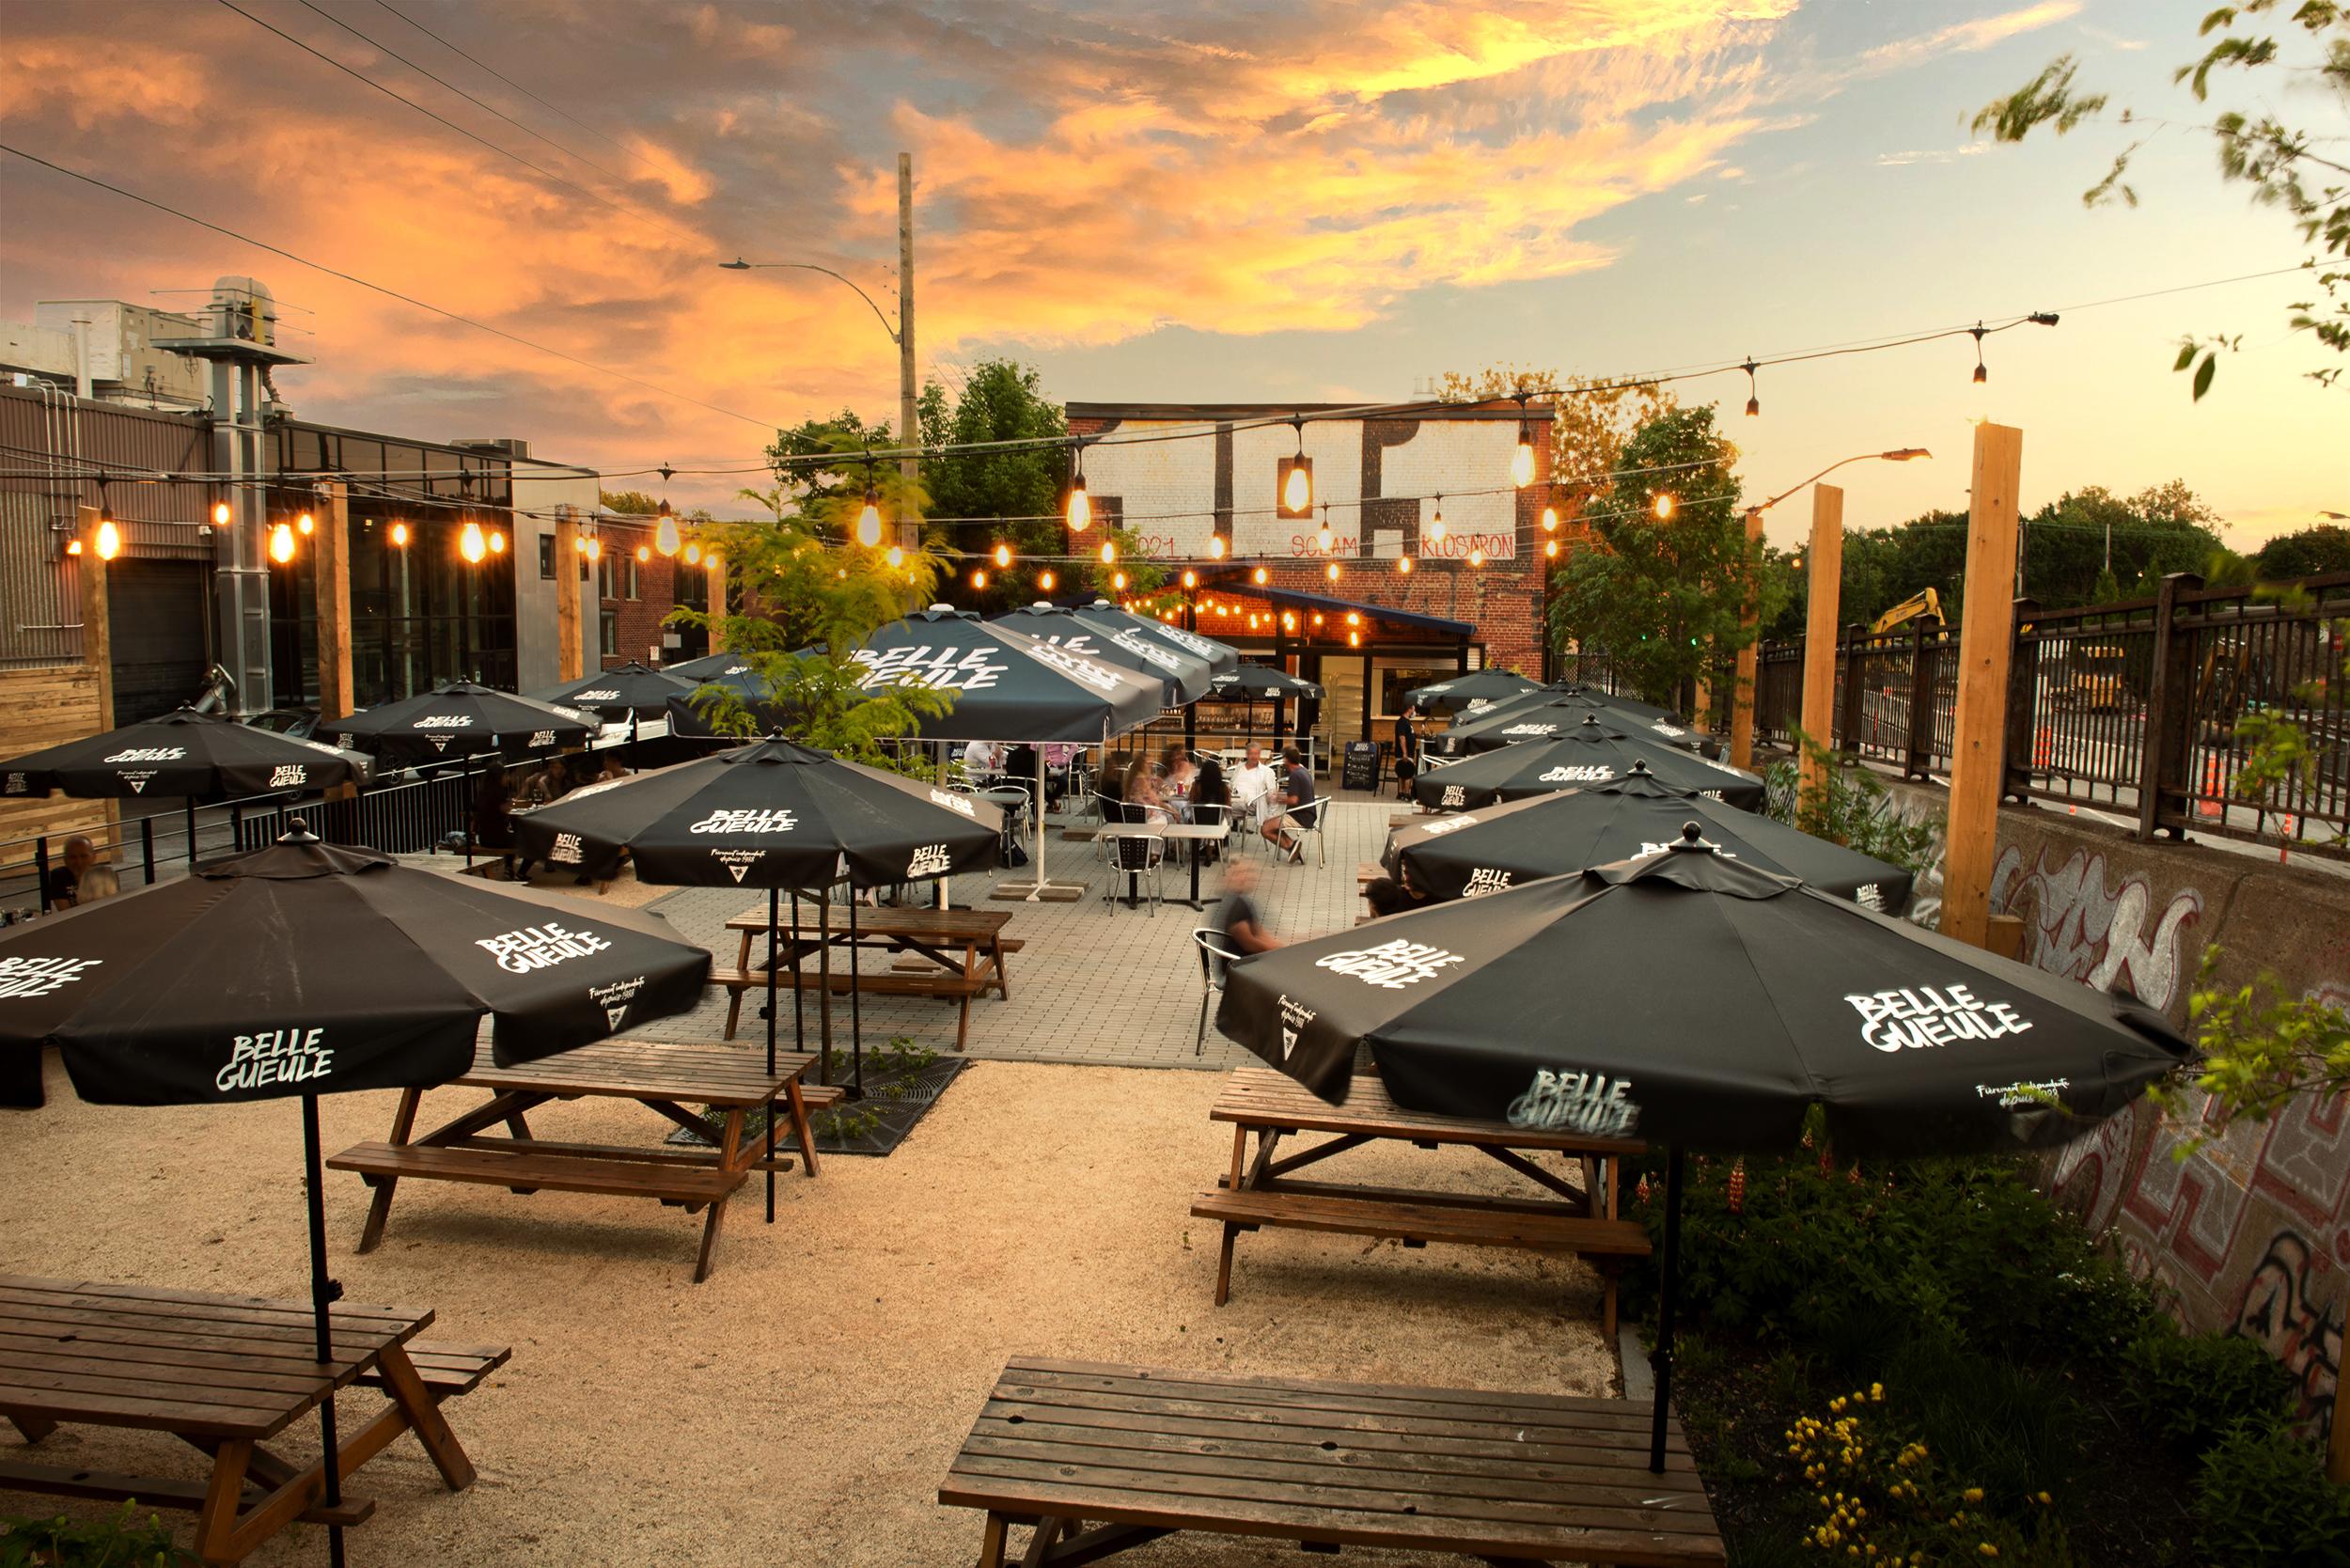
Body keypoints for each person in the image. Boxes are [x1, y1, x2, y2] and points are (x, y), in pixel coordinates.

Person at [1214, 858, 1282, 964]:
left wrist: (1284, 946)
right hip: (1239, 967)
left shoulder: (1242, 901)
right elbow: (1249, 943)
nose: (1246, 877)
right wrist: (1279, 951)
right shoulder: (1236, 907)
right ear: (1228, 878)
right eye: (1239, 873)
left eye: (1249, 872)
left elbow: (1259, 932)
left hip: (1247, 962)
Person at [1261, 746, 1319, 862]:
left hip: (1300, 817)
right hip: (1308, 814)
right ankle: (1294, 848)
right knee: (1271, 825)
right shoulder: (1303, 771)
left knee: (1265, 829)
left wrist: (1276, 799)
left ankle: (1292, 846)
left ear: (1287, 760)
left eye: (1284, 759)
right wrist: (1281, 796)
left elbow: (1293, 800)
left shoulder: (1295, 776)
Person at [1189, 758, 1231, 863]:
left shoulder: (1196, 785)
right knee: (1220, 823)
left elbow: (1191, 801)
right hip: (1216, 821)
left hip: (1197, 821)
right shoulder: (1223, 787)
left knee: (1205, 822)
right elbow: (1228, 805)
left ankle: (1198, 849)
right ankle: (1210, 849)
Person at [1364, 858, 1432, 917]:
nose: (1405, 879)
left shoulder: (1434, 899)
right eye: (1405, 873)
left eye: (1413, 875)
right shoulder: (1395, 894)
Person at [1230, 744, 1277, 824]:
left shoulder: (1267, 771)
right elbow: (1231, 785)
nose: (1254, 757)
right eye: (1251, 754)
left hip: (1251, 804)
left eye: (1256, 754)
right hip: (1235, 800)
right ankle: (1224, 831)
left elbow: (1272, 794)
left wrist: (1271, 815)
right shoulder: (1240, 768)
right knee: (1217, 805)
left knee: (1221, 808)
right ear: (1246, 754)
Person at [44, 835, 95, 909]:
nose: (78, 862)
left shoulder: (103, 876)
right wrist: (80, 880)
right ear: (65, 859)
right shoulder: (59, 876)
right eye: (73, 857)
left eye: (83, 856)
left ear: (93, 857)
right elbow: (66, 911)